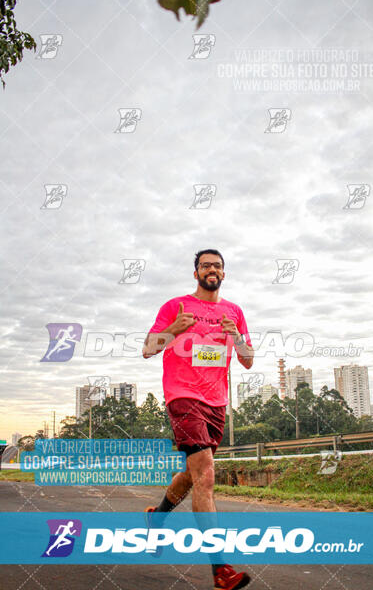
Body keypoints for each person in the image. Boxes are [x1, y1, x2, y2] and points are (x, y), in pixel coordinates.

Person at [143, 249, 254, 590]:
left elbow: (248, 360)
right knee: (206, 475)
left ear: (224, 273)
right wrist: (174, 329)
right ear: (196, 273)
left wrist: (235, 335)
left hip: (216, 402)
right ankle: (220, 569)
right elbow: (148, 348)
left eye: (217, 266)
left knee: (194, 475)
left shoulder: (233, 312)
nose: (211, 270)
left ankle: (156, 519)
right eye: (205, 265)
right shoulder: (174, 306)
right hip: (183, 396)